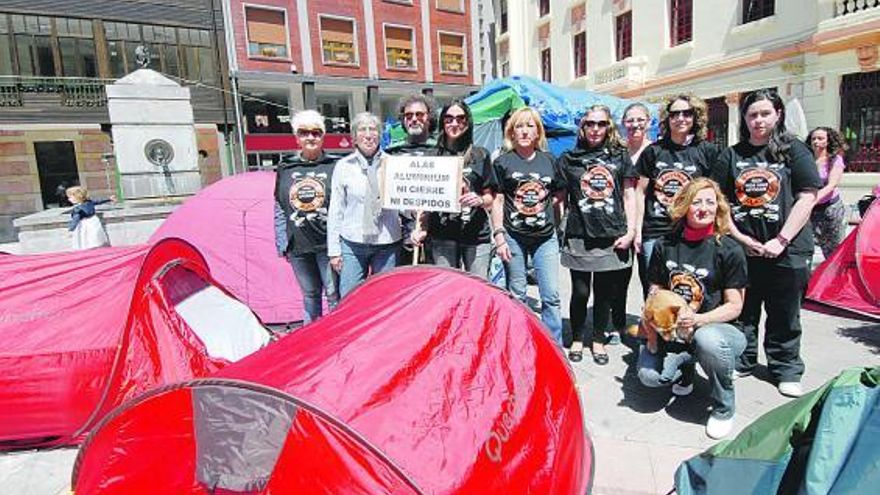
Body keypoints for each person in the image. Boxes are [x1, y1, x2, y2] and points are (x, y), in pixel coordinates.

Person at [713, 89, 821, 398]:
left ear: (778, 115)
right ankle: (744, 360)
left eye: (764, 114)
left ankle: (785, 368)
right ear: (744, 119)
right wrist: (741, 238)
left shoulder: (794, 151)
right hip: (744, 249)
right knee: (744, 310)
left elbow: (807, 197)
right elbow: (720, 204)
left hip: (788, 248)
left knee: (785, 312)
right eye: (752, 115)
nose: (758, 120)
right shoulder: (731, 156)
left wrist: (781, 239)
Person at [637, 178, 748, 439]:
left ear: (718, 207)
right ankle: (685, 370)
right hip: (675, 332)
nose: (703, 208)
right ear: (685, 206)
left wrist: (697, 319)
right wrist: (653, 312)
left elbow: (735, 306)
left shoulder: (729, 249)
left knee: (706, 340)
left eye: (710, 202)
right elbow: (655, 288)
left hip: (719, 331)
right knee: (649, 376)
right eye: (696, 201)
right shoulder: (666, 245)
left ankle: (724, 406)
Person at [558, 106, 637, 364]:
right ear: (582, 127)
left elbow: (629, 194)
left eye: (601, 124)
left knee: (604, 294)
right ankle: (579, 337)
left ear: (608, 127)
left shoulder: (619, 156)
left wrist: (632, 230)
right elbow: (559, 199)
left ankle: (598, 340)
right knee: (580, 292)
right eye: (590, 123)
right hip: (580, 234)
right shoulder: (569, 158)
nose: (595, 129)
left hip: (612, 235)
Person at [492, 107, 566, 345]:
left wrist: (553, 220)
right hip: (514, 236)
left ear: (538, 132)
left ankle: (552, 344)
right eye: (519, 126)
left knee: (551, 295)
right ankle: (519, 340)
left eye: (530, 126)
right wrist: (499, 236)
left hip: (545, 237)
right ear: (511, 132)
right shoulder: (503, 162)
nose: (524, 131)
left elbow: (559, 195)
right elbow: (498, 200)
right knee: (518, 293)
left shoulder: (550, 160)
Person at [635, 94, 720, 298]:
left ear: (695, 117)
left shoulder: (707, 150)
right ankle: (655, 328)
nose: (680, 118)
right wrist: (637, 230)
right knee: (655, 291)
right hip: (655, 231)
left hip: (691, 232)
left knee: (687, 287)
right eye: (675, 114)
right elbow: (640, 191)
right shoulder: (654, 151)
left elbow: (714, 194)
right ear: (667, 118)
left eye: (687, 113)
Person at [411, 100, 496, 277]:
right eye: (449, 119)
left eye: (460, 118)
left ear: (468, 122)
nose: (454, 123)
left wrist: (479, 200)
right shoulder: (432, 157)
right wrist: (420, 227)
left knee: (477, 289)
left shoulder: (481, 155)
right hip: (442, 234)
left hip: (476, 235)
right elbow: (424, 201)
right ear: (442, 122)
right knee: (447, 289)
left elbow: (491, 198)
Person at [274, 110, 339, 324]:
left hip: (327, 245)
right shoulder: (285, 167)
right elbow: (279, 205)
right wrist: (282, 241)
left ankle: (338, 339)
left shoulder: (335, 165)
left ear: (323, 136)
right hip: (298, 246)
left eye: (316, 132)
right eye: (304, 132)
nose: (310, 137)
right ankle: (312, 343)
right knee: (310, 297)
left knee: (333, 295)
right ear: (296, 137)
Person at [327, 112, 402, 298]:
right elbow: (336, 209)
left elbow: (404, 204)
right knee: (349, 296)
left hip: (387, 241)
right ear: (354, 137)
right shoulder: (343, 166)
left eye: (373, 129)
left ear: (380, 135)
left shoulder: (394, 164)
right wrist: (334, 251)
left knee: (385, 297)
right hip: (352, 243)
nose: (368, 135)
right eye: (362, 130)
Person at [385, 93, 440, 265]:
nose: (414, 119)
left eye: (419, 115)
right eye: (408, 115)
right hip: (401, 232)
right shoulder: (392, 154)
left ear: (429, 118)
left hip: (437, 232)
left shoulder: (442, 152)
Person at [806, 127, 847, 258]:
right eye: (813, 139)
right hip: (811, 210)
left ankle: (835, 276)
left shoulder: (834, 160)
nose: (816, 141)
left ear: (828, 141)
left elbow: (831, 185)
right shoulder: (806, 160)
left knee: (833, 249)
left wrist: (812, 200)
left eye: (820, 138)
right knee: (808, 245)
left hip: (831, 209)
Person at [66, 186, 114, 250]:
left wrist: (71, 229)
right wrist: (109, 199)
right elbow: (98, 201)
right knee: (95, 234)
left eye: (70, 197)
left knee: (85, 235)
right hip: (94, 220)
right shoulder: (89, 202)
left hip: (84, 223)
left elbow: (75, 219)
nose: (69, 199)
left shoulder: (78, 209)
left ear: (77, 197)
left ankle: (87, 247)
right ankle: (96, 245)